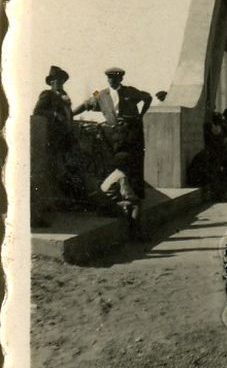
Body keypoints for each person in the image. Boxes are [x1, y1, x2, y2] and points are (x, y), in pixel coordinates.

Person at [73, 67, 152, 199]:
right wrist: (70, 114)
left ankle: (135, 195)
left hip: (130, 134)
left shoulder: (130, 91)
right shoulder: (100, 93)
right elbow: (86, 104)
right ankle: (118, 194)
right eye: (109, 78)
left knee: (132, 163)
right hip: (111, 135)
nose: (111, 80)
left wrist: (140, 115)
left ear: (121, 79)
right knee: (113, 163)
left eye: (114, 78)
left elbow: (148, 97)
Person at [33, 65, 88, 205]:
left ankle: (72, 200)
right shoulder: (47, 94)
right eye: (56, 80)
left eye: (61, 80)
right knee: (57, 169)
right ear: (51, 82)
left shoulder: (65, 96)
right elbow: (38, 112)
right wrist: (55, 114)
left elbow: (70, 115)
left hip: (68, 138)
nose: (59, 83)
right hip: (55, 139)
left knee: (72, 167)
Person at [99, 151, 142, 239]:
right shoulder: (122, 176)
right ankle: (134, 232)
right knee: (136, 205)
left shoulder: (115, 173)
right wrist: (136, 198)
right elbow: (127, 194)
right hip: (109, 206)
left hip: (102, 204)